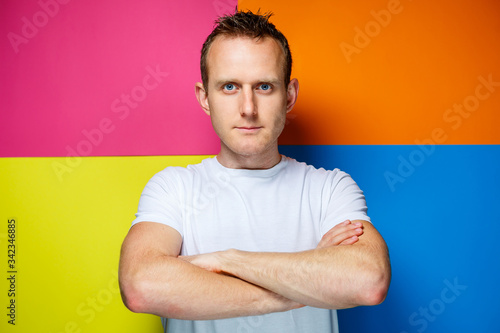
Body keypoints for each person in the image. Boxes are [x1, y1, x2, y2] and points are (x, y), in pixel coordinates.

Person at [119, 9, 391, 333]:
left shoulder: (329, 189)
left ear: (289, 96)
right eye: (230, 87)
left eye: (264, 86)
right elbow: (141, 285)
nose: (248, 108)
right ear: (204, 97)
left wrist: (225, 260)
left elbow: (368, 279)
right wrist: (307, 282)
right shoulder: (173, 189)